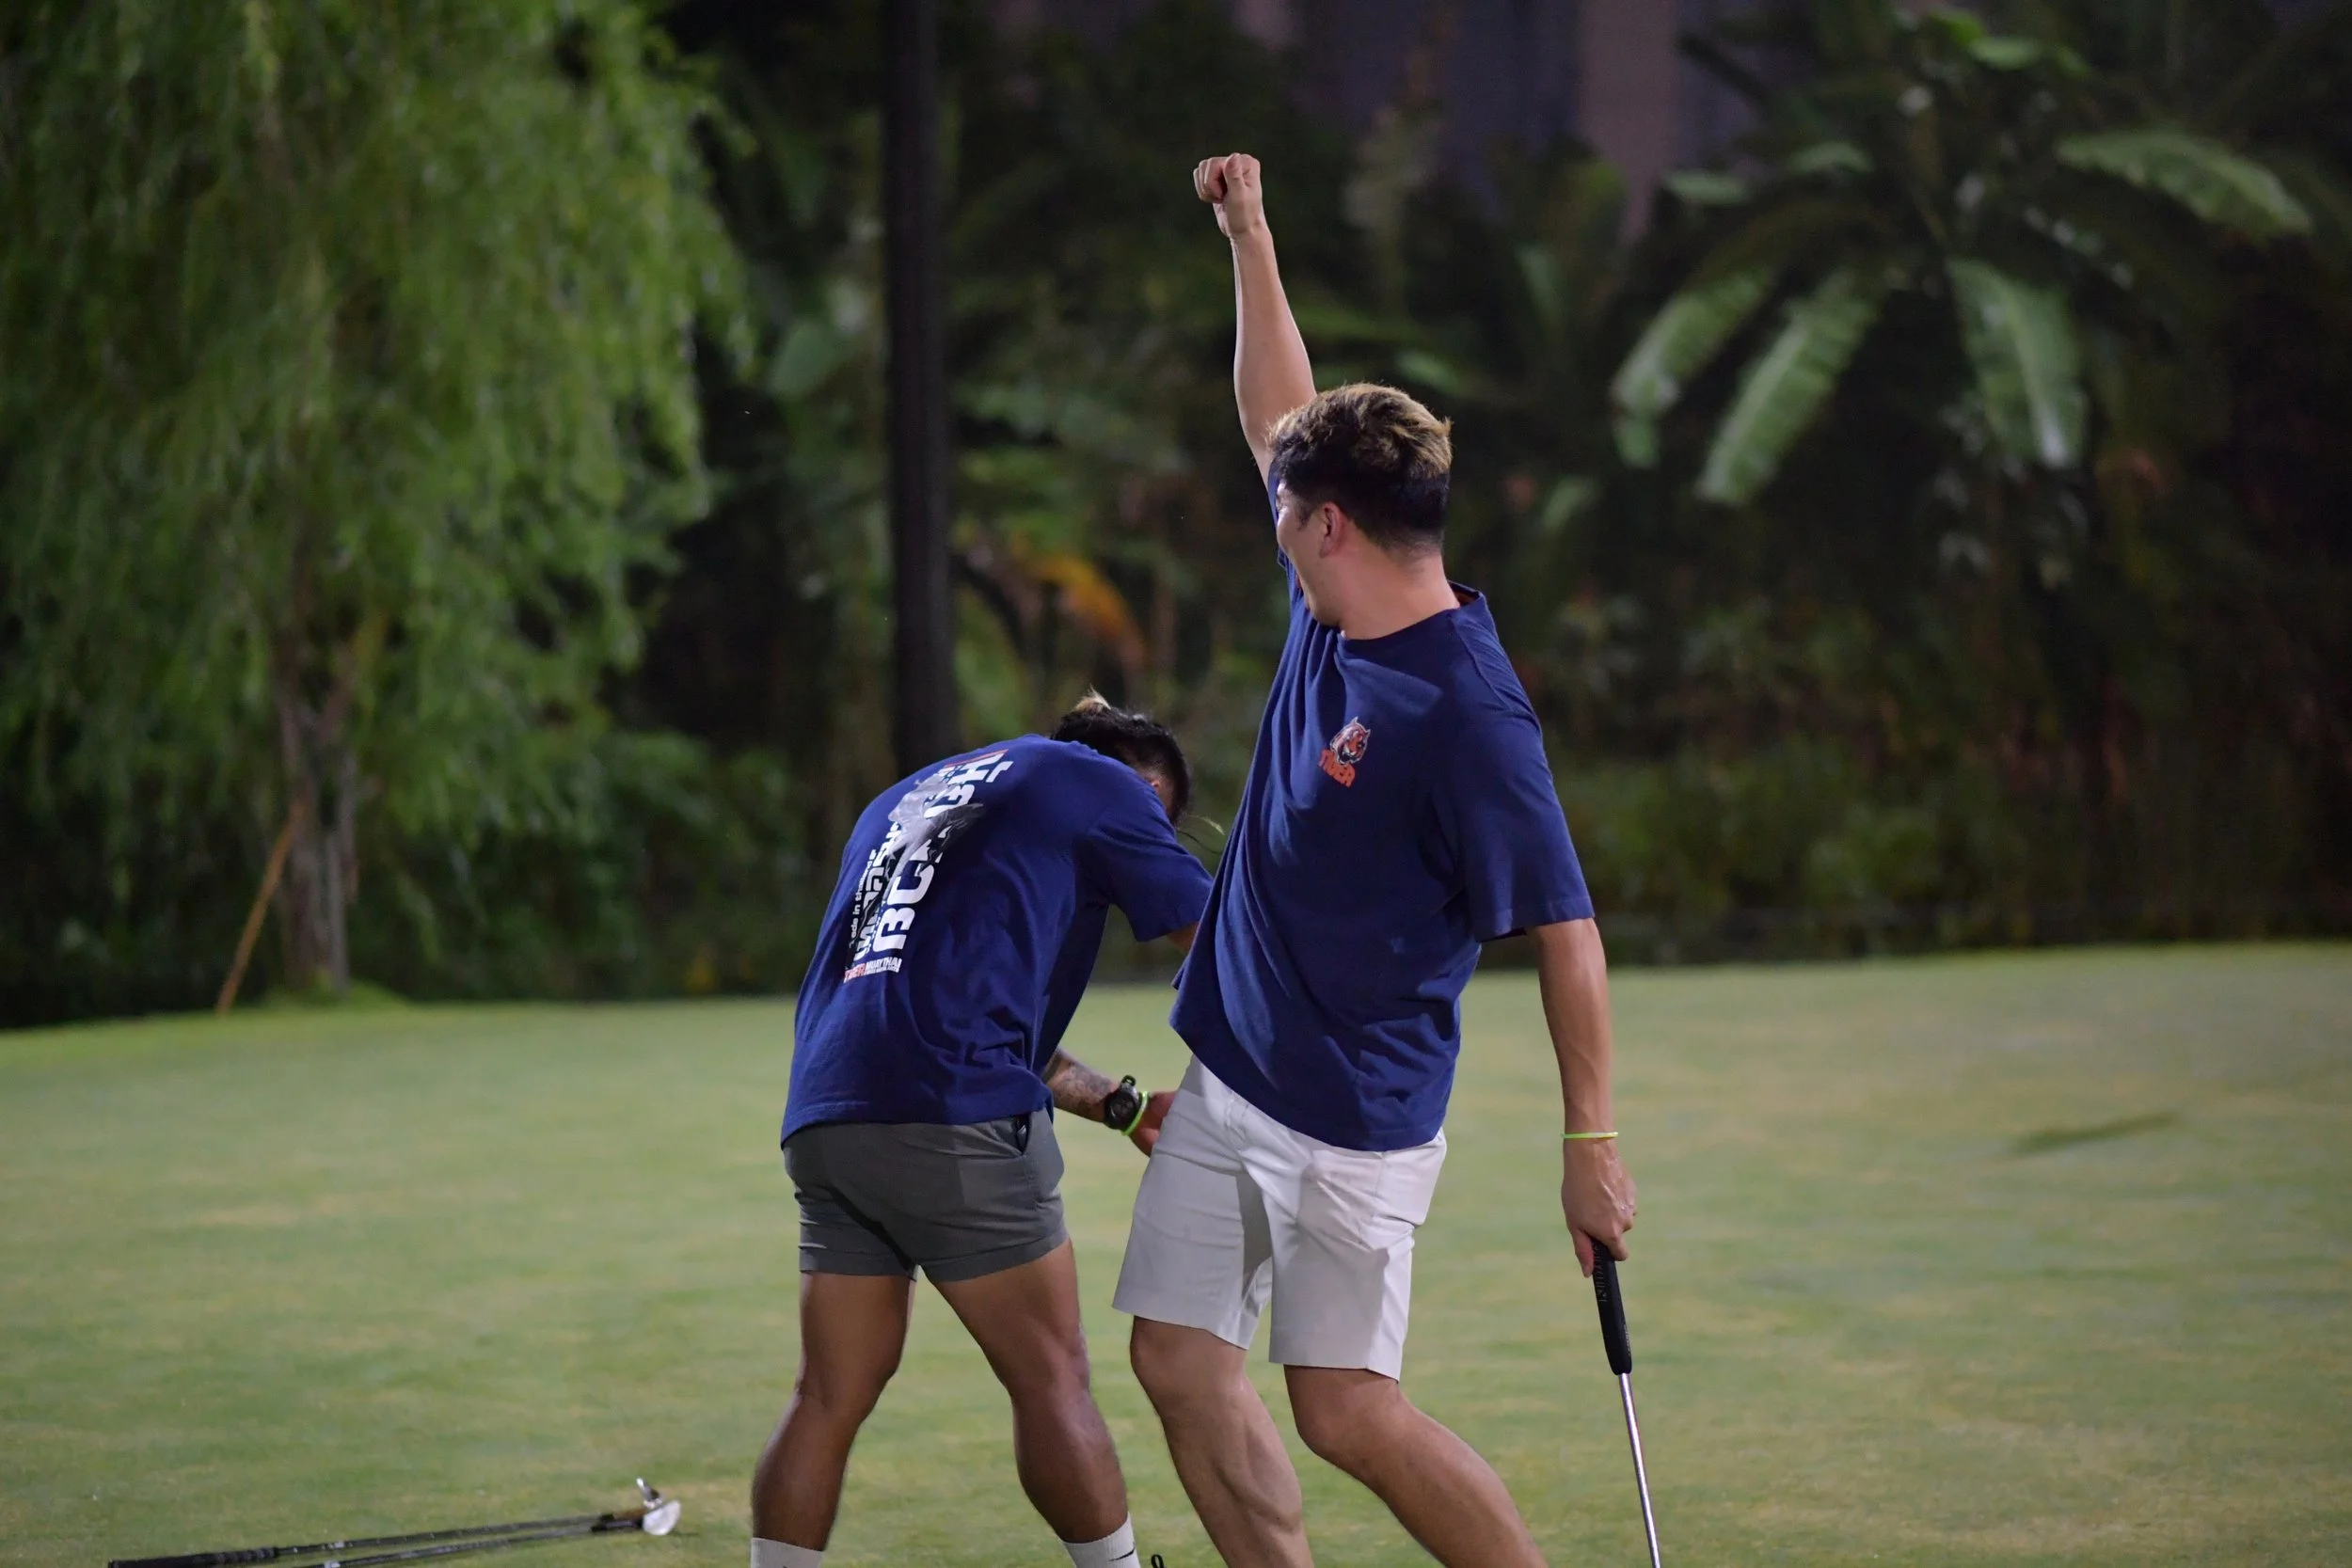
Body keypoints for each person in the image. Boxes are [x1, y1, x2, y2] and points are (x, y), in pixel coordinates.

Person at [1110, 153, 1641, 1568]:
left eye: (1287, 506)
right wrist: (1251, 233)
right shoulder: (1328, 605)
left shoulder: (1470, 711)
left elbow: (1568, 932)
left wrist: (1590, 1143)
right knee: (1174, 1356)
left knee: (1344, 1408)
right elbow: (1276, 409)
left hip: (1354, 1117)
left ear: (1329, 523)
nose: (1270, 514)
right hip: (1233, 1075)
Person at [752, 696, 1212, 1568]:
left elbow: (960, 1011)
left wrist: (1120, 1103)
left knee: (826, 1395)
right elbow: (1224, 942)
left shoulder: (909, 798)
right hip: (953, 1119)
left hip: (828, 1115)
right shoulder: (1106, 786)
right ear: (1136, 781)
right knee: (1051, 1380)